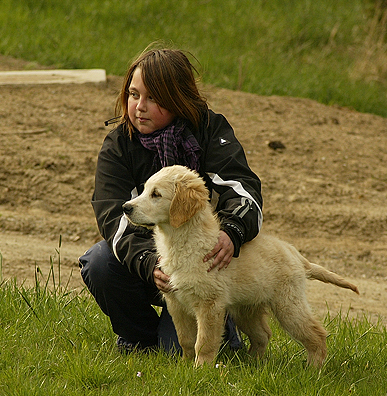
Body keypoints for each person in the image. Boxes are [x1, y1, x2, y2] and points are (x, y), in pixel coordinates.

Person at [79, 46, 263, 353]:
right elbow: (112, 218)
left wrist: (232, 232)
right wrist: (149, 263)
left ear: (178, 98)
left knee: (180, 351)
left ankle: (220, 325)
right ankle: (138, 338)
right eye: (133, 94)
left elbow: (244, 191)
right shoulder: (118, 145)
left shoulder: (209, 129)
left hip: (203, 267)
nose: (139, 107)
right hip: (152, 265)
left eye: (153, 98)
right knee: (98, 262)